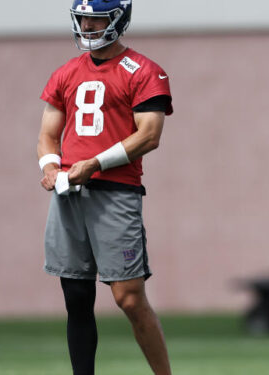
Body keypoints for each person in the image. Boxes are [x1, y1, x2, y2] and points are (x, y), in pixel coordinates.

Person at [36, 1, 172, 374]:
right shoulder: (66, 72)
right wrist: (50, 168)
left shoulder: (144, 70)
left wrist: (94, 163)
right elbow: (48, 135)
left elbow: (149, 135)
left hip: (115, 193)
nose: (87, 25)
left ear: (117, 19)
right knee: (76, 296)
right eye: (83, 18)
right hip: (69, 194)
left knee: (128, 298)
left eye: (95, 17)